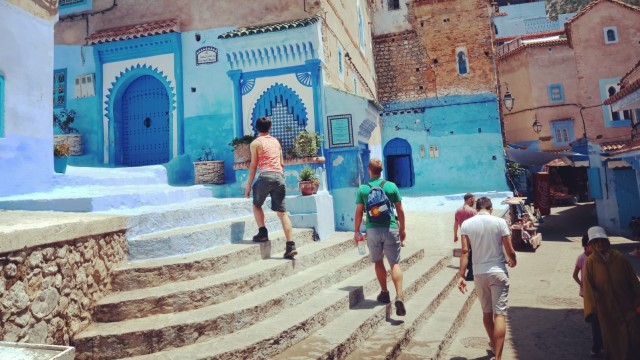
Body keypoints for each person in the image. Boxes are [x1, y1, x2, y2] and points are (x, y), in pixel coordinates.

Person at [458, 197, 517, 360]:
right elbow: (509, 249)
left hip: (479, 273)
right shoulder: (499, 222)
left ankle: (493, 343)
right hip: (498, 271)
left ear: (477, 208)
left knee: (486, 313)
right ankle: (498, 356)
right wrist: (513, 259)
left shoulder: (467, 224)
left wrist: (461, 276)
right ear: (490, 208)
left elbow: (464, 251)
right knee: (499, 315)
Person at [354, 158, 407, 316]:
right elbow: (400, 210)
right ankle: (399, 295)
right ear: (381, 170)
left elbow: (358, 212)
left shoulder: (363, 189)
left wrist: (356, 230)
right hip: (391, 228)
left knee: (378, 261)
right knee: (394, 264)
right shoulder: (391, 186)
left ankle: (384, 292)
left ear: (369, 169)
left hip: (373, 230)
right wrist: (402, 229)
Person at [583, 226, 640, 360]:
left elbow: (633, 280)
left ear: (607, 241)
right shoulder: (590, 263)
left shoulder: (619, 258)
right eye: (596, 242)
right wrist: (591, 310)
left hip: (627, 306)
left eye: (602, 240)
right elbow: (588, 288)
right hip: (607, 311)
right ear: (592, 245)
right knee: (614, 340)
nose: (600, 244)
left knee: (633, 335)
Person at [244, 116, 296, 259]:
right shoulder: (276, 142)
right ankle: (290, 245)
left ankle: (262, 232)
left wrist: (248, 186)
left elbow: (254, 165)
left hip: (265, 176)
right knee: (282, 213)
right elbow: (282, 163)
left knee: (256, 204)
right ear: (270, 127)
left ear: (256, 128)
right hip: (279, 176)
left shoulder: (255, 143)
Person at [573, 234, 603, 357]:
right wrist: (582, 286)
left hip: (600, 292)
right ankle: (597, 346)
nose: (596, 246)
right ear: (586, 246)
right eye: (592, 245)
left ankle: (602, 343)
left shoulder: (599, 257)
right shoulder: (582, 258)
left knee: (601, 319)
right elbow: (575, 275)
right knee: (595, 320)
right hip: (589, 294)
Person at [454, 193, 477, 280]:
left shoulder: (458, 211)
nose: (473, 202)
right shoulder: (473, 211)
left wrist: (455, 235)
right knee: (473, 254)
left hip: (464, 235)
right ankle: (471, 273)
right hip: (473, 235)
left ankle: (466, 269)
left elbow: (455, 224)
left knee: (465, 253)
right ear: (470, 199)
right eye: (473, 200)